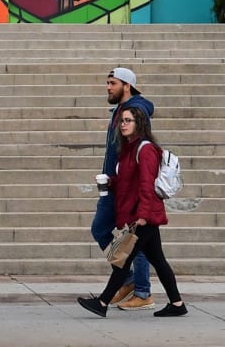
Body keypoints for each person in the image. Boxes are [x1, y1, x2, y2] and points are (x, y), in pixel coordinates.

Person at [78, 106, 188, 319]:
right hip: (137, 213)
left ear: (140, 124)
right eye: (122, 121)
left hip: (142, 216)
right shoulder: (129, 149)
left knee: (123, 259)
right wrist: (111, 182)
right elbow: (129, 181)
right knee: (158, 260)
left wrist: (143, 216)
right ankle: (177, 304)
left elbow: (147, 185)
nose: (123, 124)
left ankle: (102, 302)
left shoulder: (145, 150)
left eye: (128, 120)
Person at [91, 67, 155, 310]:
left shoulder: (136, 111)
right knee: (101, 229)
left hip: (126, 185)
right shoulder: (120, 110)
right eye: (108, 83)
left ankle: (142, 291)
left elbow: (138, 148)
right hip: (113, 183)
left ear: (127, 86)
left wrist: (126, 180)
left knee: (136, 239)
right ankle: (129, 279)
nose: (108, 87)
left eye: (113, 83)